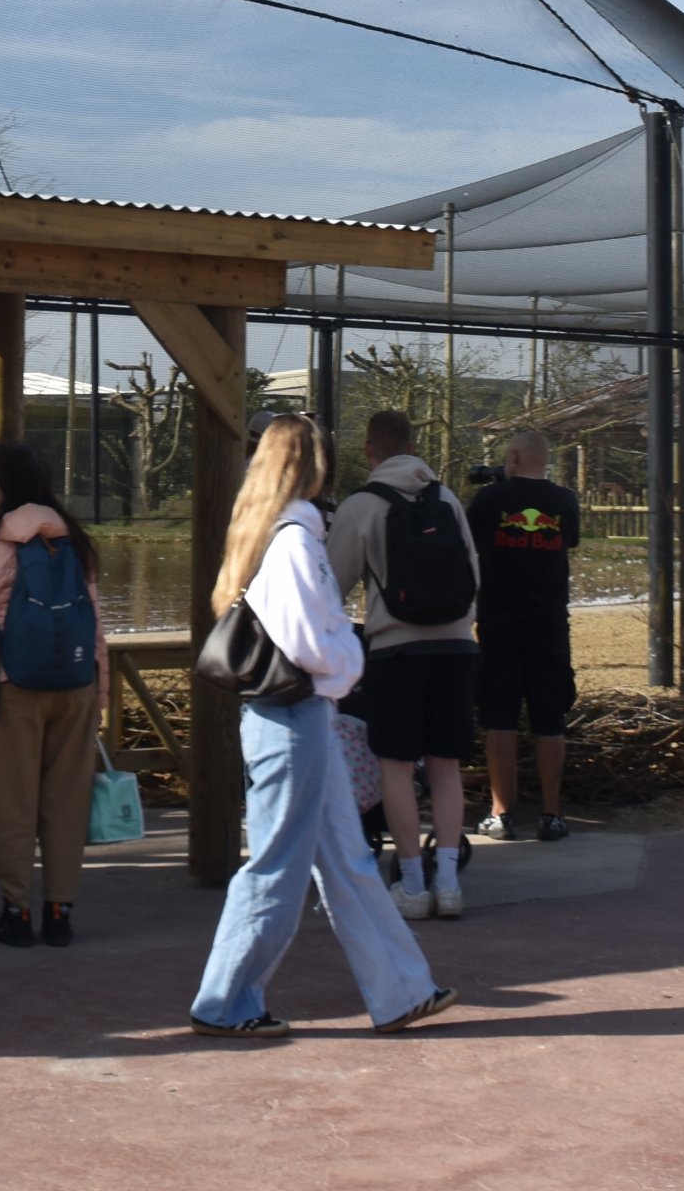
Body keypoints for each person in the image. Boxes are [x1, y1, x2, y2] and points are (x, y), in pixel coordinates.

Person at [188, 414, 454, 1039]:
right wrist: (352, 661)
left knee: (347, 861)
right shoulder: (296, 540)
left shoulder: (271, 534)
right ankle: (223, 1003)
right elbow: (312, 641)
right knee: (279, 866)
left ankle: (402, 991)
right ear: (317, 465)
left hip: (294, 718)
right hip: (297, 718)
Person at [0, 439, 109, 947]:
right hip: (77, 688)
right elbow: (96, 628)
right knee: (67, 803)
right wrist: (100, 696)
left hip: (11, 691)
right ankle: (60, 912)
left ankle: (15, 913)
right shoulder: (76, 543)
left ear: (10, 485)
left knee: (14, 804)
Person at [330, 409, 482, 919]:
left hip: (396, 650)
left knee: (396, 767)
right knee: (445, 766)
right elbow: (473, 578)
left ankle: (412, 884)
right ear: (415, 446)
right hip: (458, 647)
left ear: (371, 451)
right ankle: (449, 884)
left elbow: (332, 585)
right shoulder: (449, 499)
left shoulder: (362, 505)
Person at [467, 430, 582, 841]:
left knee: (500, 718)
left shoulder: (489, 501)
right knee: (550, 719)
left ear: (513, 457)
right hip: (550, 624)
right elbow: (569, 540)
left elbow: (471, 545)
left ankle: (501, 813)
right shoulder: (565, 501)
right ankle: (552, 814)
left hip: (500, 624)